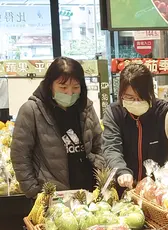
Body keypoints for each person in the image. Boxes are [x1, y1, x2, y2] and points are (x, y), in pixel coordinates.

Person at [11, 57, 104, 198]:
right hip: (52, 195)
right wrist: (33, 190)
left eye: (75, 87)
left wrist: (101, 174)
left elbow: (99, 144)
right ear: (50, 85)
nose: (69, 93)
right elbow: (20, 155)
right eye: (63, 87)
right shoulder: (32, 110)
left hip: (89, 191)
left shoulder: (86, 108)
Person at [102, 64, 168, 192]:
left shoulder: (167, 112)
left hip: (161, 189)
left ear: (150, 93)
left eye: (141, 97)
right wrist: (121, 171)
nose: (136, 102)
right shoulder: (114, 113)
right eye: (129, 97)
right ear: (121, 94)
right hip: (125, 188)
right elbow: (111, 147)